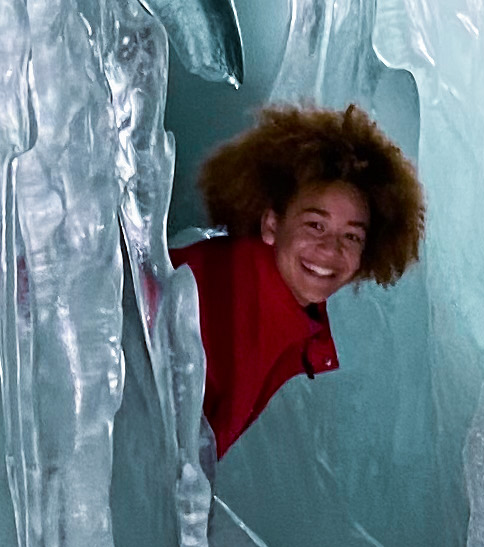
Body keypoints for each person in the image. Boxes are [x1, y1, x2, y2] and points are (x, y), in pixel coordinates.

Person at [175, 101, 425, 462]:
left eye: (351, 237)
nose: (330, 249)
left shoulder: (277, 309)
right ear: (271, 224)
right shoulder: (227, 295)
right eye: (315, 225)